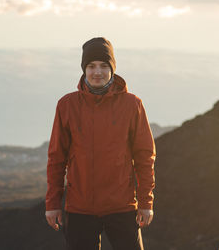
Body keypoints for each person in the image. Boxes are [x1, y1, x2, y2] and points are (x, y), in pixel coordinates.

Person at [45, 37, 156, 250]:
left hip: (122, 205)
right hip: (80, 207)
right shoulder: (67, 105)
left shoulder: (132, 104)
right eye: (91, 66)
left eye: (104, 66)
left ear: (112, 69)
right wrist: (52, 205)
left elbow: (144, 157)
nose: (97, 72)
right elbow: (56, 158)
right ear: (84, 70)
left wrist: (145, 203)